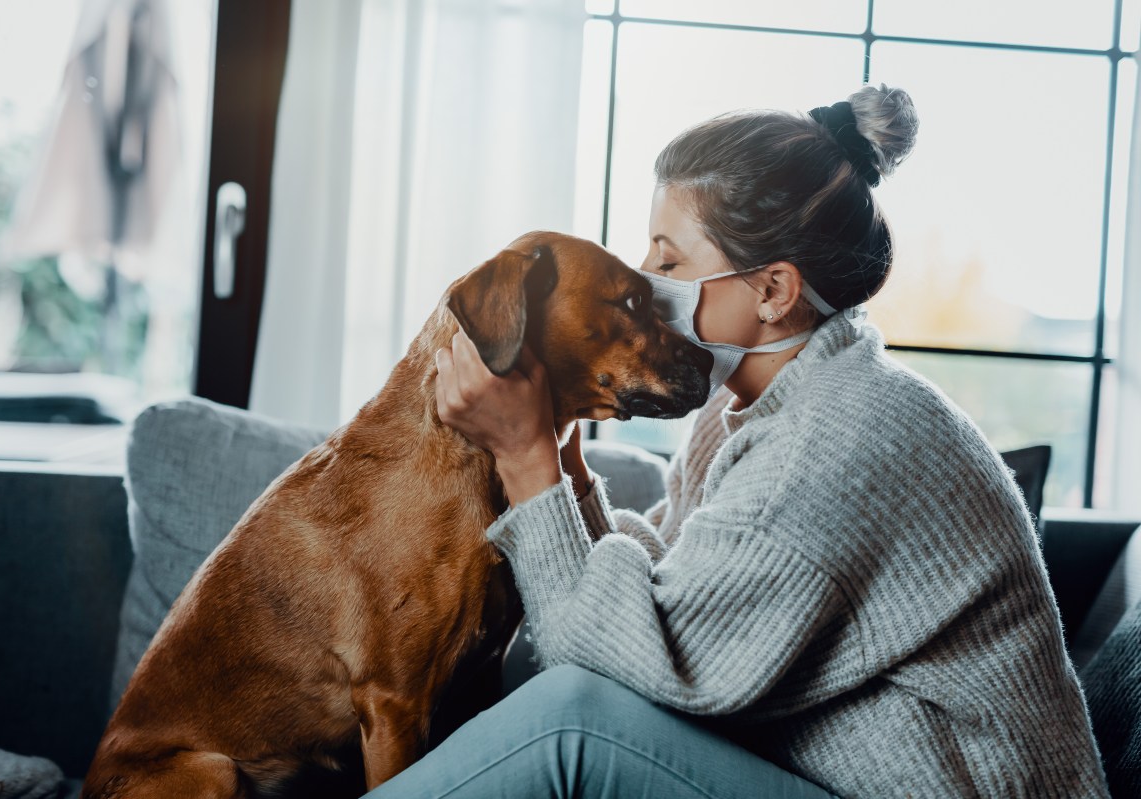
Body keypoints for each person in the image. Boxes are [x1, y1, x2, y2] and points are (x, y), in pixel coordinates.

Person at [368, 85, 1109, 798]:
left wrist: (525, 461)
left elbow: (628, 661)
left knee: (575, 726)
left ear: (772, 291)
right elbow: (662, 599)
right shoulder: (758, 403)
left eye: (668, 259)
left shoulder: (836, 440)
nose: (642, 280)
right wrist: (560, 460)